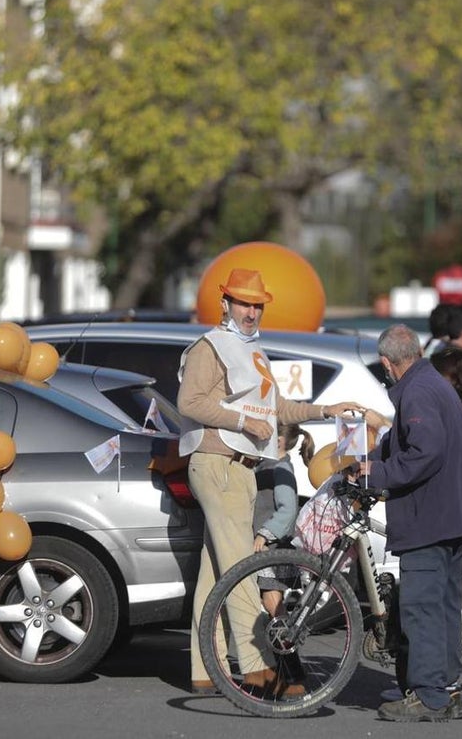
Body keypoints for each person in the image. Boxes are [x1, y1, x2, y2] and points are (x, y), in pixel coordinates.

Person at [177, 267, 362, 696]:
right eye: (243, 303)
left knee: (215, 573)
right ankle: (258, 668)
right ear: (225, 303)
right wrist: (243, 422)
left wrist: (326, 410)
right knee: (241, 571)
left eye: (257, 305)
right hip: (218, 463)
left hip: (242, 468)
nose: (251, 312)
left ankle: (204, 669)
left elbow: (277, 408)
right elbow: (189, 401)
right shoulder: (209, 346)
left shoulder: (250, 348)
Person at [356, 324, 462, 722]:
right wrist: (374, 459)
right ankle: (443, 689)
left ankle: (429, 695)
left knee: (422, 607)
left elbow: (424, 452)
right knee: (443, 605)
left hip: (431, 516)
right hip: (450, 514)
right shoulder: (432, 382)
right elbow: (412, 442)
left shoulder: (416, 390)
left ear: (387, 363)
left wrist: (375, 475)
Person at [252, 423, 314, 616]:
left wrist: (264, 534)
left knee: (271, 597)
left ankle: (284, 632)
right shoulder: (267, 465)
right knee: (268, 596)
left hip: (273, 545)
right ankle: (281, 630)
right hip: (270, 545)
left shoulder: (280, 468)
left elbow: (288, 509)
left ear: (278, 441)